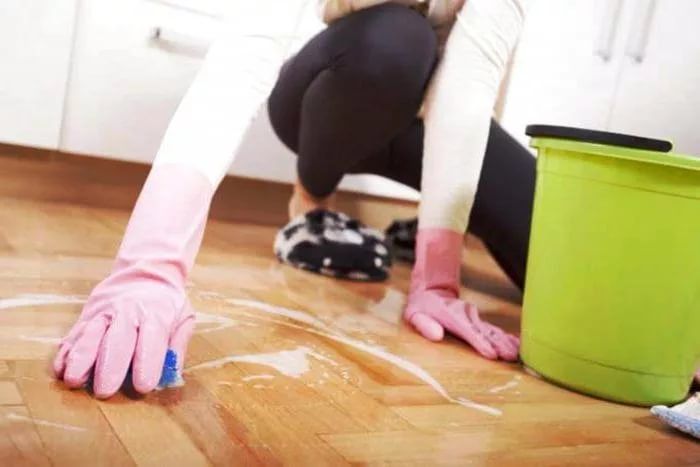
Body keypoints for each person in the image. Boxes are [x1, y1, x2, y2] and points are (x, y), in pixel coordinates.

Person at [53, 0, 532, 399]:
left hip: (422, 125)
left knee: (553, 251)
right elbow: (247, 51)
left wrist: (439, 277)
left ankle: (421, 228)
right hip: (337, 88)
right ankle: (310, 204)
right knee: (400, 38)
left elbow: (466, 94)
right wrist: (150, 264)